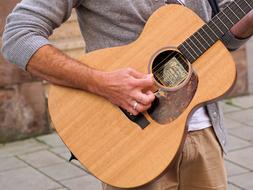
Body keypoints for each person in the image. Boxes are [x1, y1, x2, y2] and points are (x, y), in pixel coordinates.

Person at [1, 0, 253, 189]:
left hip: (204, 135)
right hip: (132, 142)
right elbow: (18, 36)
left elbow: (219, 40)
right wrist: (101, 82)